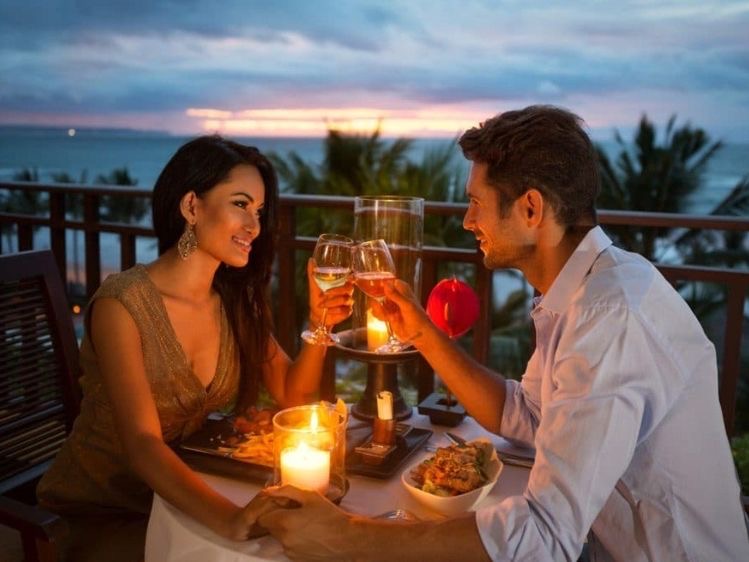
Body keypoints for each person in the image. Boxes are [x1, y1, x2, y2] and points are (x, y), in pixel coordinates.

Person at [258, 106, 749, 561]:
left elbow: (543, 535)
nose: (469, 221)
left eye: (476, 203)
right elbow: (529, 416)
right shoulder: (580, 291)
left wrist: (347, 535)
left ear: (531, 209)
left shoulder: (611, 317)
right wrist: (425, 334)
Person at [36, 135, 353, 561]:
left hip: (182, 496)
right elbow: (143, 444)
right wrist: (231, 519)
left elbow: (293, 396)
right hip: (100, 511)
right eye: (240, 204)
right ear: (191, 207)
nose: (255, 227)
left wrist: (320, 325)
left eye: (259, 211)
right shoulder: (122, 306)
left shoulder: (235, 300)